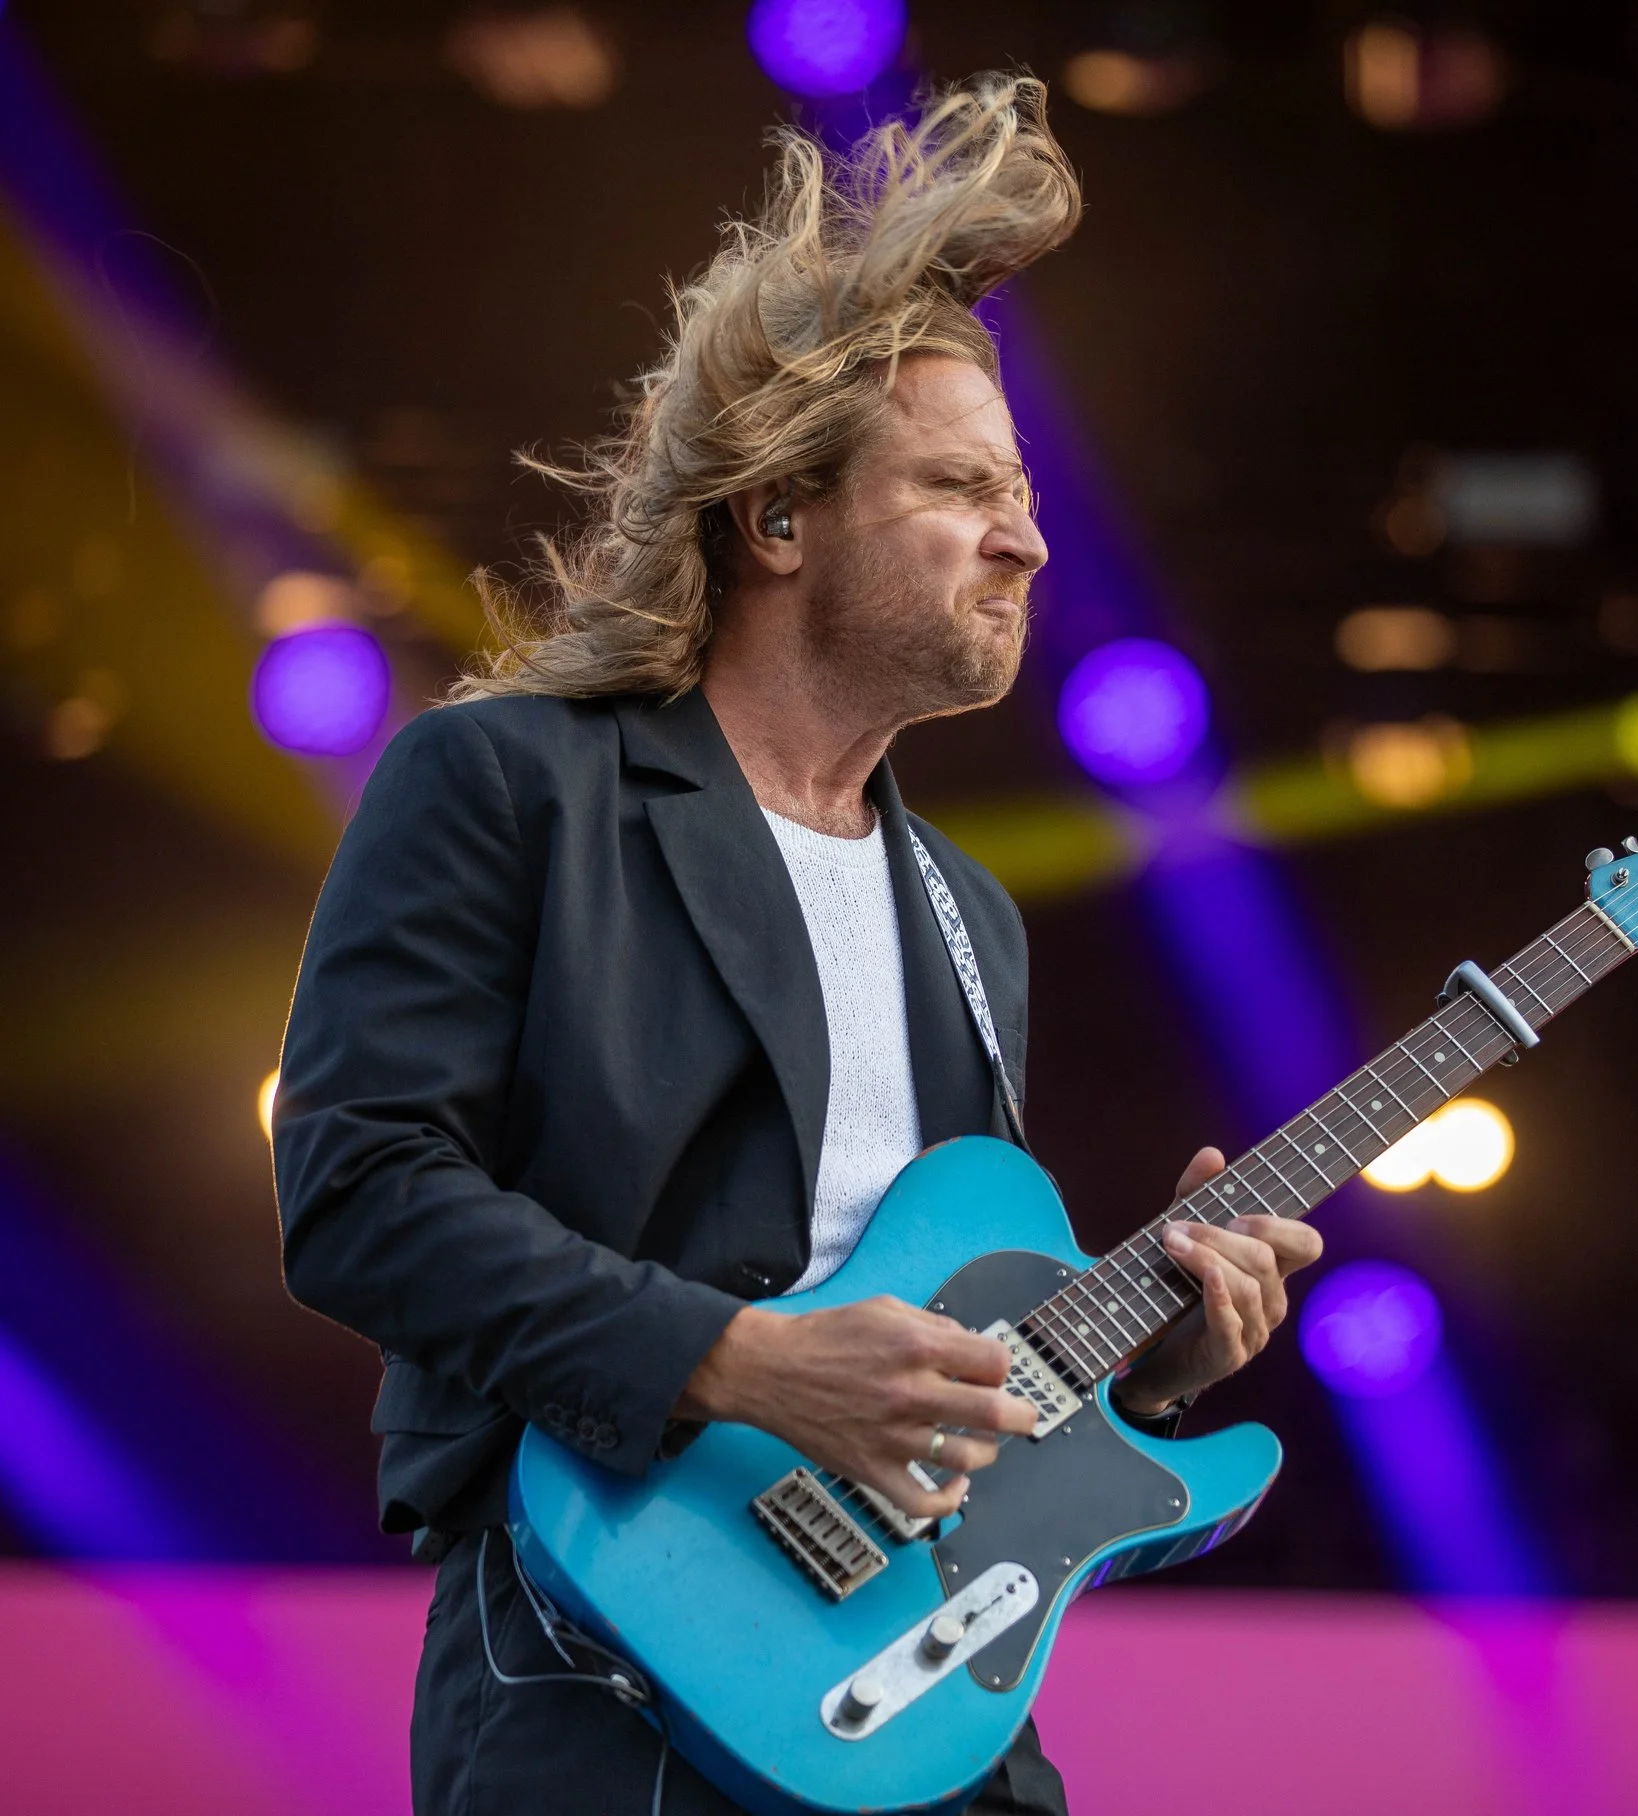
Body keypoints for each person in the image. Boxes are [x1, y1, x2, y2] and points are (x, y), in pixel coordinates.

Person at [273, 74, 1322, 1815]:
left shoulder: (970, 914)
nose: (1027, 538)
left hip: (920, 1691)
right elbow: (358, 1191)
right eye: (962, 486)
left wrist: (1128, 1368)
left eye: (1023, 492)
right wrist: (740, 1361)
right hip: (599, 1662)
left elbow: (928, 1338)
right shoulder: (512, 784)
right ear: (776, 518)